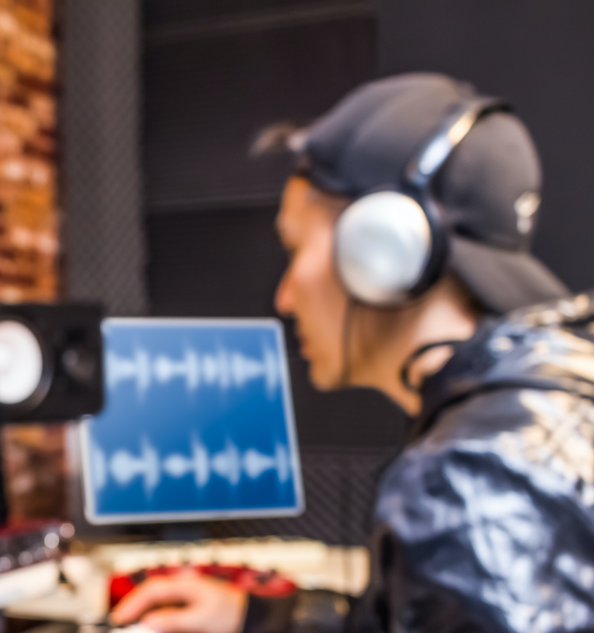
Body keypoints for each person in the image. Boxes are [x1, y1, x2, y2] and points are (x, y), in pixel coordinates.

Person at [110, 73, 594, 632]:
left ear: (381, 251)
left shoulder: (474, 480)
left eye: (294, 248)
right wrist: (263, 618)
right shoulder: (544, 400)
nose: (284, 297)